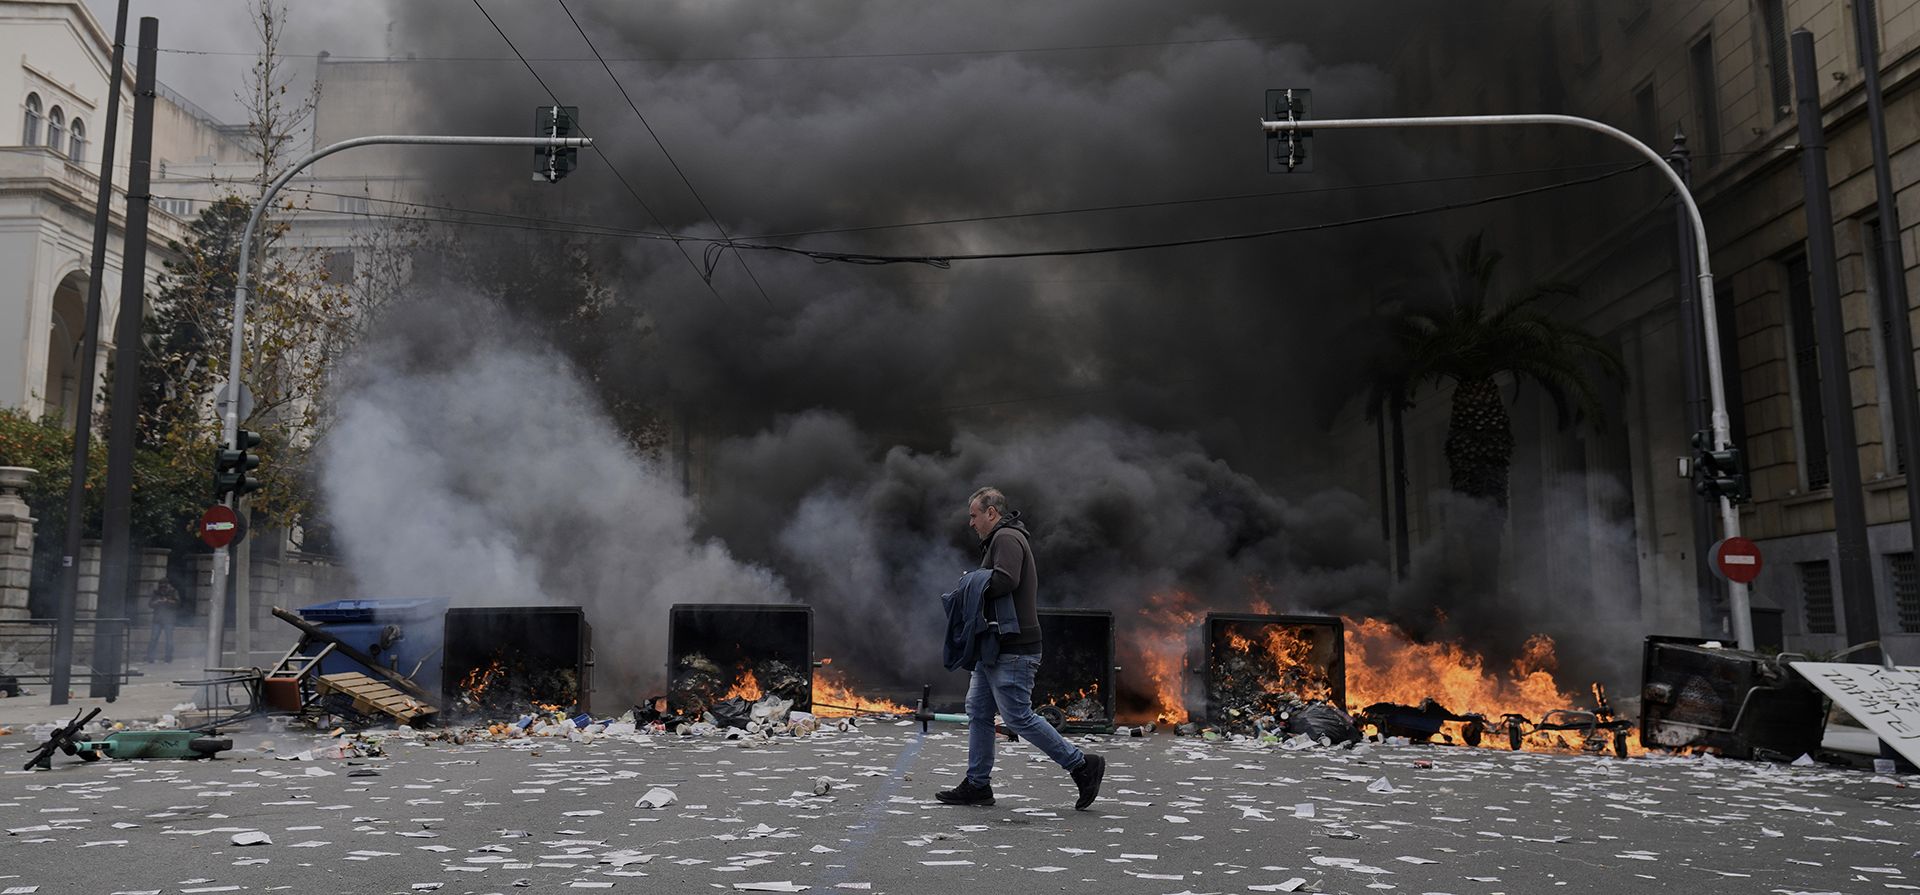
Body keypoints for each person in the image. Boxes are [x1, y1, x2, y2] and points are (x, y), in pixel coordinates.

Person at [936, 486, 1105, 810]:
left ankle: (1082, 766)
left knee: (1017, 716)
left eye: (974, 516)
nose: (971, 523)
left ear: (991, 513)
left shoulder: (1007, 539)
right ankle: (977, 785)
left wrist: (970, 582)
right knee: (980, 711)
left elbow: (1006, 580)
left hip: (1013, 648)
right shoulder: (1001, 539)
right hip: (995, 647)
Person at [145, 580, 180, 664]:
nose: (163, 588)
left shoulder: (173, 592)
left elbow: (177, 603)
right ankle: (150, 658)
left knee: (169, 640)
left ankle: (168, 658)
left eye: (164, 586)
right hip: (158, 619)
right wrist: (157, 602)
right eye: (161, 586)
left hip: (168, 619)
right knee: (154, 639)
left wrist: (167, 601)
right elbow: (150, 604)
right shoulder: (156, 593)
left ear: (168, 585)